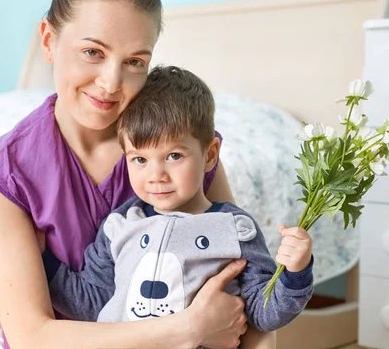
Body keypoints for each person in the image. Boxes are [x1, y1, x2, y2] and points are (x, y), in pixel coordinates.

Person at [0, 0, 255, 348]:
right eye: (93, 53)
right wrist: (190, 328)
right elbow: (32, 336)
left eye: (135, 61)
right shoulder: (2, 172)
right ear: (49, 41)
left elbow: (245, 278)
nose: (110, 82)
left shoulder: (185, 149)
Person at [41, 66, 314, 345]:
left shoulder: (234, 229)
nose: (156, 175)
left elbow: (263, 313)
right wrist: (42, 259)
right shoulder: (119, 226)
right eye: (140, 160)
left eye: (173, 155)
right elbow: (92, 304)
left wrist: (296, 273)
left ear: (209, 155)